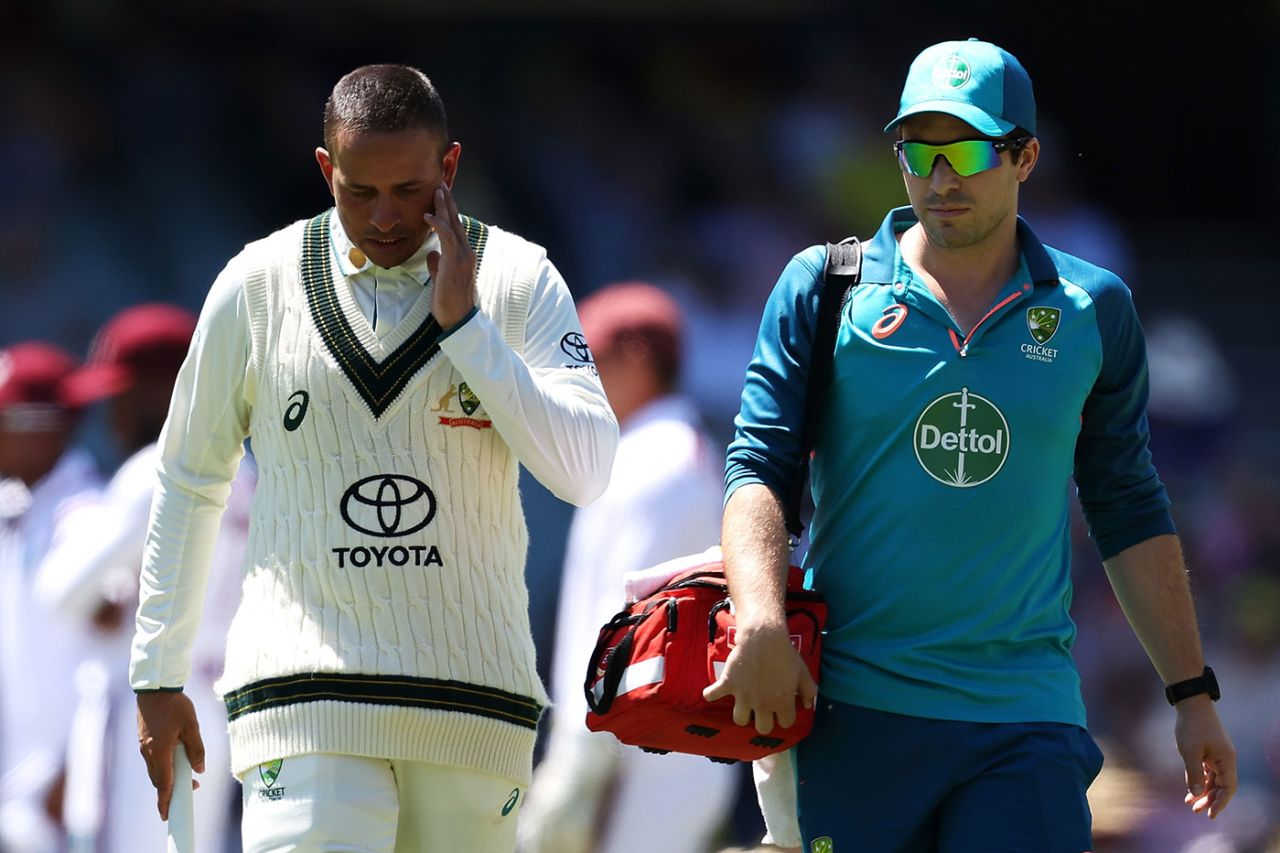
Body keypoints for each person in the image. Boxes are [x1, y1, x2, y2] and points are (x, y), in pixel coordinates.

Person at [706, 38, 1237, 851]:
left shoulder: (1095, 309)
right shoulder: (826, 287)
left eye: (965, 151)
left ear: (1024, 157)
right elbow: (758, 468)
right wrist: (760, 622)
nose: (940, 177)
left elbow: (1127, 503)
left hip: (1024, 714)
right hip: (854, 708)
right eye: (918, 151)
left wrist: (1190, 692)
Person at [128, 64, 618, 852]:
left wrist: (470, 333)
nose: (386, 216)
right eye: (359, 190)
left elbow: (586, 470)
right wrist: (157, 671)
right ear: (326, 170)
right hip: (303, 695)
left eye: (410, 189)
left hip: (475, 701)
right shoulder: (256, 283)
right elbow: (190, 475)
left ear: (450, 168)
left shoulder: (520, 279)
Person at [517, 282, 737, 853]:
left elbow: (628, 627)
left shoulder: (659, 459)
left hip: (643, 761)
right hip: (649, 753)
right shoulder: (659, 450)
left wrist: (581, 762)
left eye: (586, 361)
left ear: (636, 355)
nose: (575, 382)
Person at [36, 304, 250, 852]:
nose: (111, 416)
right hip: (215, 710)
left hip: (142, 711)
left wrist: (101, 598)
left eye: (121, 393)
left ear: (165, 387)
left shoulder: (158, 467)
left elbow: (58, 593)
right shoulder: (249, 470)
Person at [0, 341, 103, 853]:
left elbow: (118, 651)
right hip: (22, 783)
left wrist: (77, 767)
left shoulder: (85, 518)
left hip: (65, 785)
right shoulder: (21, 505)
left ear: (41, 426)